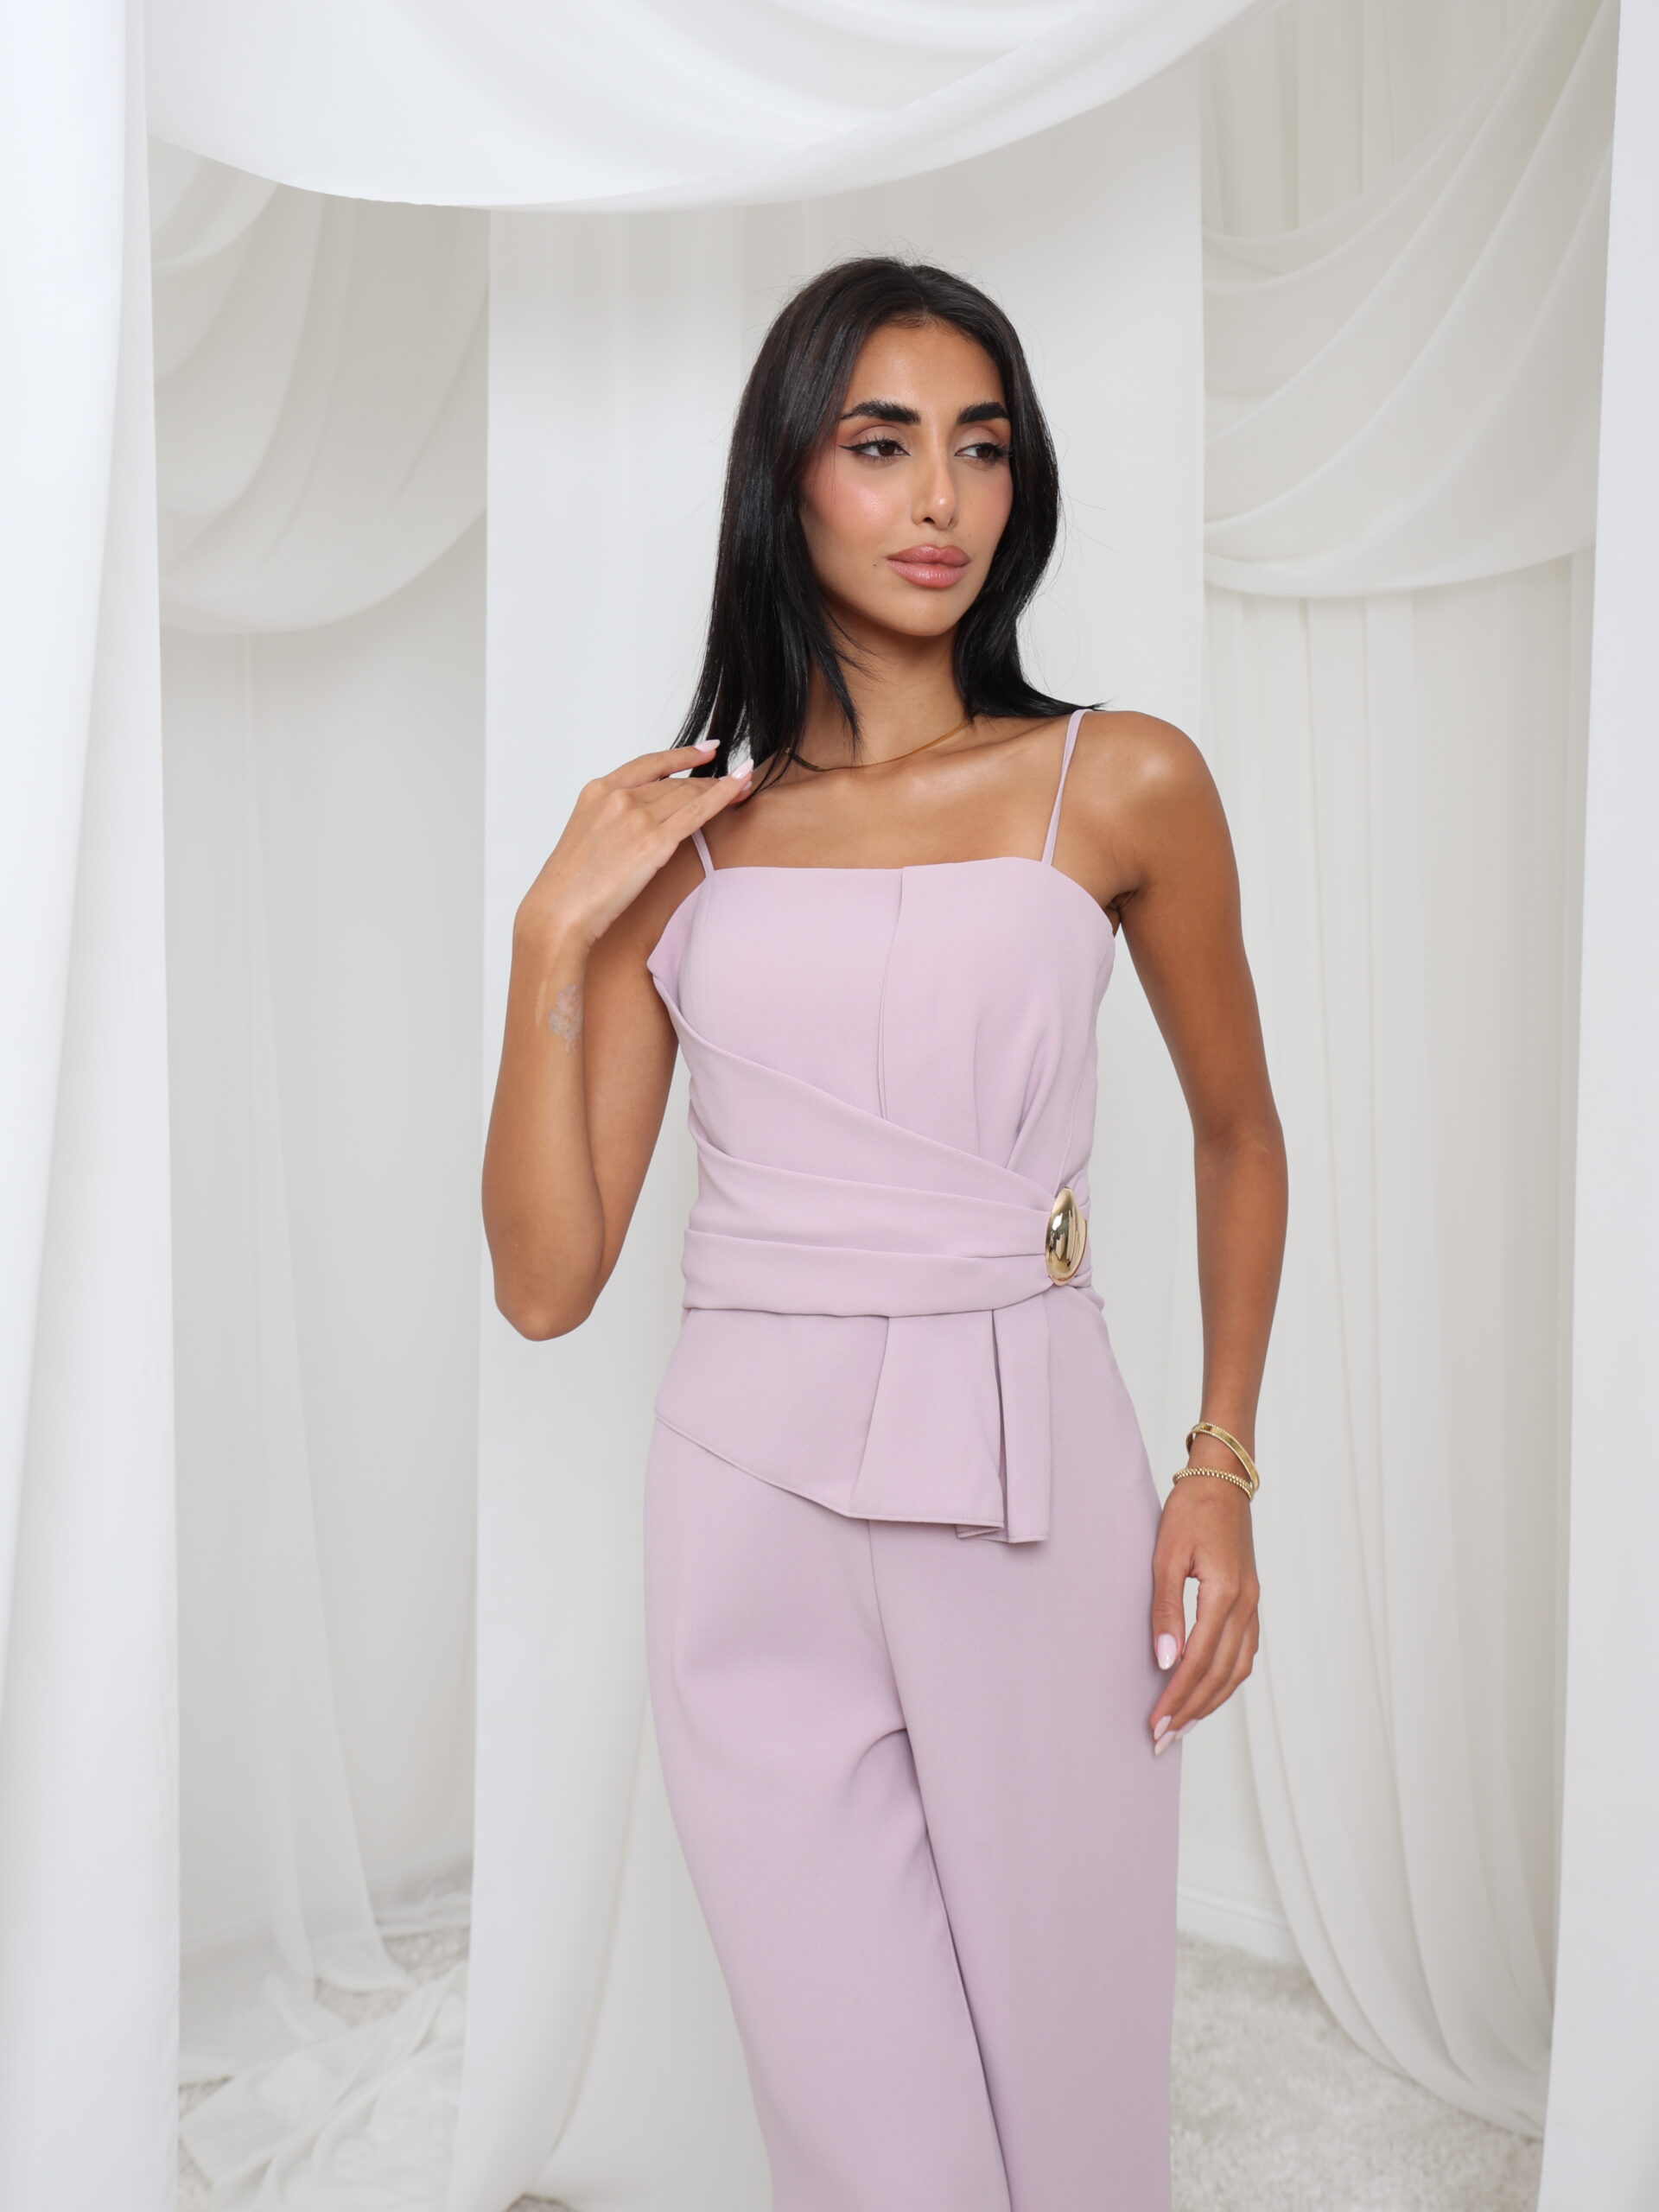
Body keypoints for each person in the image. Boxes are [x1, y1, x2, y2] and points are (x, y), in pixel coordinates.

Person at [481, 256, 1287, 2212]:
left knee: (1072, 2111)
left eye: (982, 448)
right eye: (882, 443)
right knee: (871, 2142)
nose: (942, 499)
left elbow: (1239, 1131)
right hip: (743, 1511)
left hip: (1037, 1486)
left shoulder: (1120, 779)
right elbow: (547, 1281)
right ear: (791, 475)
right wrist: (548, 940)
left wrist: (1220, 1468)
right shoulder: (680, 838)